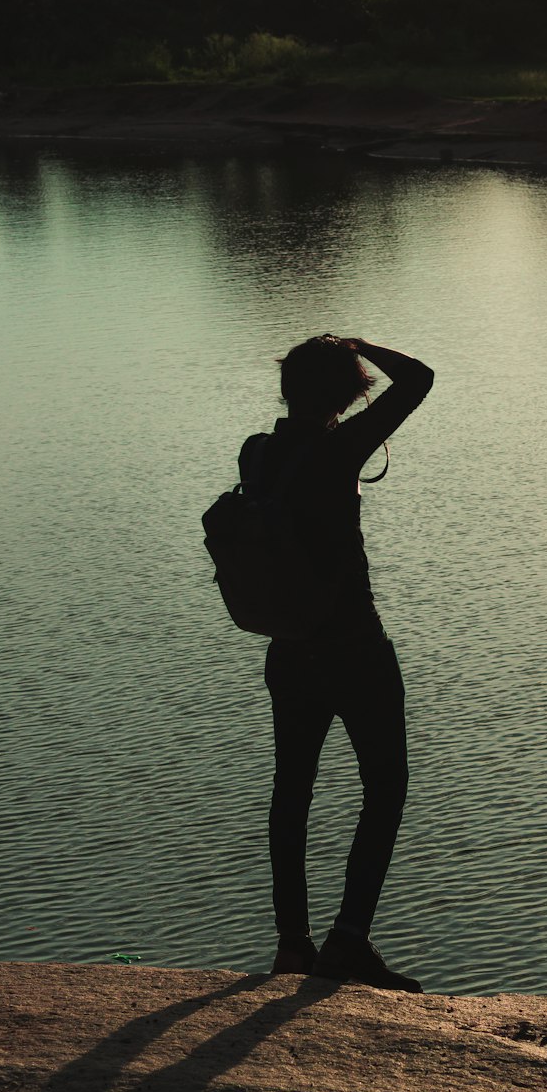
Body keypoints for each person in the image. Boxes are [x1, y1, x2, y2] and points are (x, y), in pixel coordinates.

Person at [239, 335, 433, 993]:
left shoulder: (257, 454)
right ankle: (348, 940)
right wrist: (362, 345)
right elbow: (419, 379)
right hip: (353, 648)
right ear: (348, 394)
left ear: (286, 389)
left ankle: (292, 944)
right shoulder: (340, 448)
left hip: (289, 651)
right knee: (386, 786)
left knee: (291, 789)